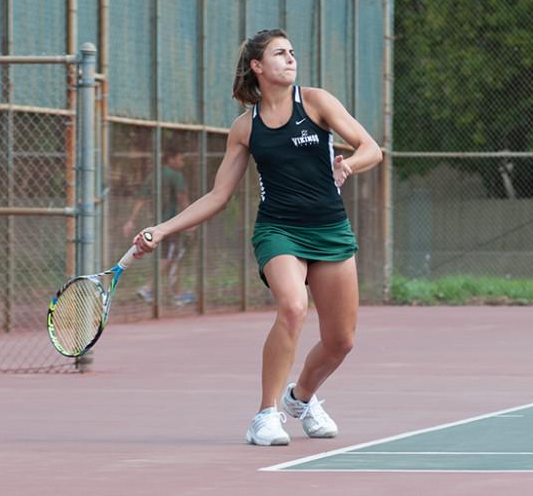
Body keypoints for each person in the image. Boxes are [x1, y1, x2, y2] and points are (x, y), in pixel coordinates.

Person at [130, 28, 382, 446]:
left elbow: (372, 147)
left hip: (330, 229)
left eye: (292, 52)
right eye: (280, 53)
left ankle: (300, 399)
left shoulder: (317, 102)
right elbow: (217, 195)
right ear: (257, 66)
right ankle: (265, 415)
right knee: (293, 307)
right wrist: (161, 228)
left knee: (341, 341)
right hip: (278, 230)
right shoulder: (245, 128)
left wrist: (350, 165)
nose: (290, 58)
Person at [123, 148, 193, 305]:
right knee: (169, 258)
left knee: (172, 258)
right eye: (180, 159)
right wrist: (191, 222)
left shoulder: (152, 176)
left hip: (156, 225)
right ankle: (148, 288)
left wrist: (131, 220)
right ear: (170, 159)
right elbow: (183, 199)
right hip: (173, 225)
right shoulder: (176, 176)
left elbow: (141, 199)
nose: (182, 163)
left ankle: (176, 293)